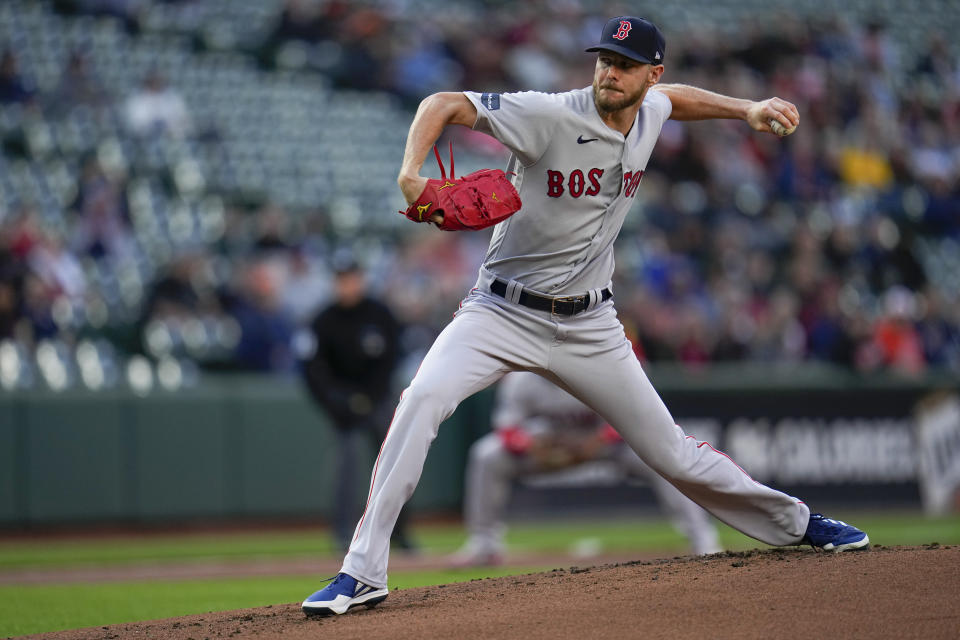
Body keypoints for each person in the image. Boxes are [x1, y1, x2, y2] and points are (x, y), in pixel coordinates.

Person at [302, 16, 869, 616]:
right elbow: (442, 102)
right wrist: (410, 172)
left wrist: (747, 108)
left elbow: (677, 101)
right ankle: (362, 572)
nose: (609, 72)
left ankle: (798, 524)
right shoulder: (549, 113)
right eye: (604, 59)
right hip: (500, 309)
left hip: (590, 325)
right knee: (420, 401)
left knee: (671, 452)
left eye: (625, 64)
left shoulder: (650, 108)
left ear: (650, 74)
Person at [450, 371, 721, 567]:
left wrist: (596, 442)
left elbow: (631, 418)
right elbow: (508, 430)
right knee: (486, 456)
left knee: (662, 457)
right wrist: (534, 448)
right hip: (550, 444)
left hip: (601, 442)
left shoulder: (594, 371)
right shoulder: (522, 379)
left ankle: (703, 539)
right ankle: (484, 544)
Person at [300, 253, 416, 553]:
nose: (347, 284)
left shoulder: (380, 313)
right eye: (341, 279)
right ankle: (342, 535)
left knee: (393, 465)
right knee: (346, 469)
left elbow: (393, 358)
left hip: (378, 399)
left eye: (351, 277)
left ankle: (400, 533)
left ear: (361, 279)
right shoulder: (323, 319)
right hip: (343, 407)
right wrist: (338, 401)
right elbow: (313, 371)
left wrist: (371, 396)